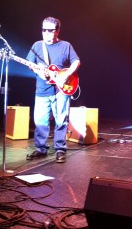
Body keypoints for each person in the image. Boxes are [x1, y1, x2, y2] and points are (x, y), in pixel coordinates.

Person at [26, 16, 80, 163]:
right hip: (42, 89)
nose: (46, 33)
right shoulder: (37, 45)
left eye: (50, 30)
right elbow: (30, 64)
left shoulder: (65, 45)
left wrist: (67, 74)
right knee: (40, 120)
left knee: (61, 119)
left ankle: (60, 149)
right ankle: (40, 149)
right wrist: (39, 72)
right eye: (44, 30)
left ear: (58, 31)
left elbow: (76, 61)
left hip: (61, 89)